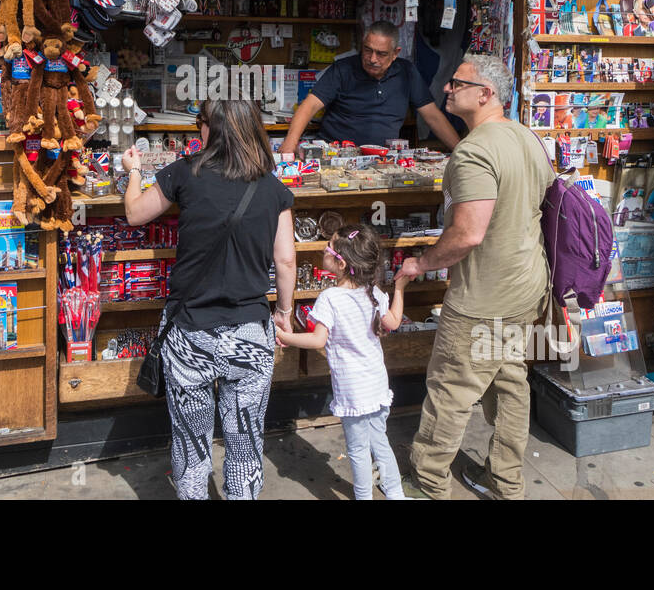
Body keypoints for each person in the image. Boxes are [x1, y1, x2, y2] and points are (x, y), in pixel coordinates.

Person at [394, 54, 554, 500]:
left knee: (450, 390)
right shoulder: (526, 137)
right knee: (508, 383)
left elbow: (467, 234)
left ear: (485, 94)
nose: (446, 89)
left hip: (484, 296)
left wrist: (420, 264)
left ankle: (427, 485)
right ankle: (505, 483)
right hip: (526, 286)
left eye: (457, 83)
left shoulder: (474, 151)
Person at [120, 97, 296, 500]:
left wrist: (133, 172)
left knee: (190, 441)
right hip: (250, 332)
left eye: (199, 123)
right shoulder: (273, 188)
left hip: (190, 332)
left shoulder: (186, 172)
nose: (196, 130)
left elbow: (135, 214)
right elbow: (285, 261)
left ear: (210, 130)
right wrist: (284, 314)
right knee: (246, 441)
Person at [276, 224, 408, 500]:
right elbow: (393, 322)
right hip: (377, 383)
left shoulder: (330, 298)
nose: (325, 248)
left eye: (328, 247)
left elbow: (317, 341)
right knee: (379, 441)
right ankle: (395, 494)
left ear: (340, 262)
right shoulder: (374, 292)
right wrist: (400, 287)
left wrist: (285, 336)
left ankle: (363, 497)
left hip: (353, 390)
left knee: (358, 450)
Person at [281, 22, 460, 155]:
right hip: (337, 155)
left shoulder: (407, 71)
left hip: (383, 158)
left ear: (395, 53)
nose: (372, 59)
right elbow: (309, 106)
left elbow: (433, 116)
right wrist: (290, 143)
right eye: (367, 50)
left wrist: (461, 153)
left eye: (381, 54)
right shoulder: (343, 68)